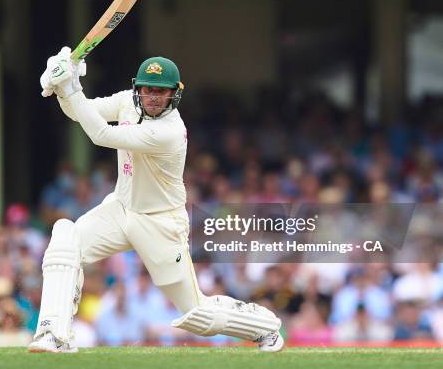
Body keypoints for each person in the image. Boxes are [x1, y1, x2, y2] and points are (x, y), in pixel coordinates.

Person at [29, 47, 283, 353]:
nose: (153, 98)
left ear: (174, 95)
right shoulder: (126, 100)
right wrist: (66, 89)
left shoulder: (169, 132)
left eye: (161, 93)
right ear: (138, 88)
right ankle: (52, 334)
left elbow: (100, 134)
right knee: (65, 239)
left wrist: (70, 86)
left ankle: (265, 328)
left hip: (160, 223)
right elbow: (83, 112)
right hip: (120, 209)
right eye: (148, 90)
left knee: (196, 314)